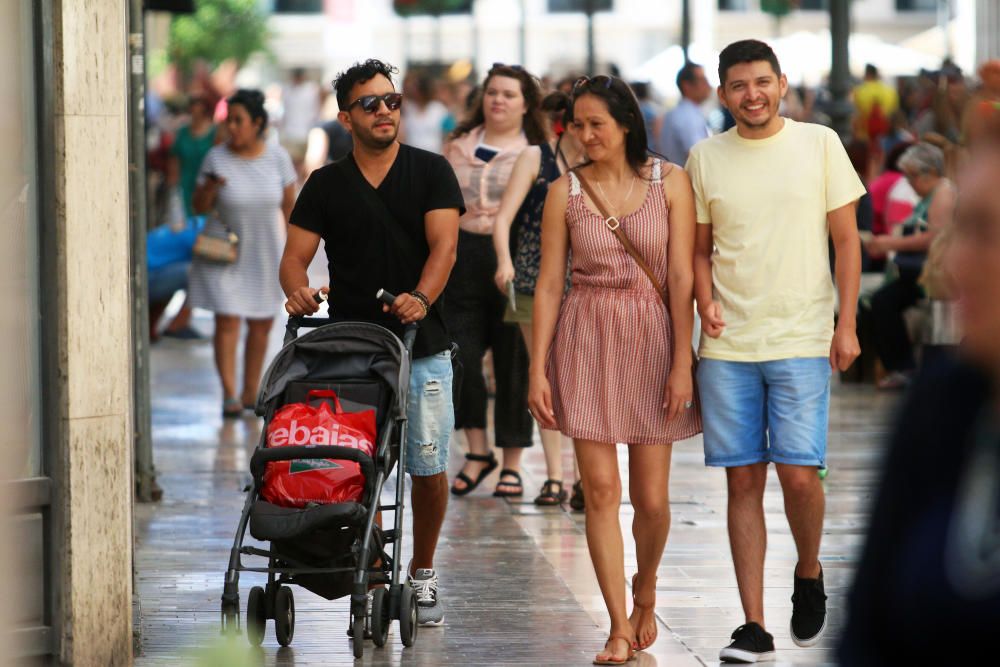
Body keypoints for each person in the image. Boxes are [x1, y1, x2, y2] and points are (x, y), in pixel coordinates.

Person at [686, 39, 865, 662]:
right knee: (742, 480)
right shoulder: (705, 157)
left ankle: (809, 571)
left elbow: (847, 242)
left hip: (800, 335)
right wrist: (702, 301)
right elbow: (699, 249)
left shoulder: (820, 144)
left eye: (762, 82)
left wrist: (846, 325)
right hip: (728, 343)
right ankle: (753, 626)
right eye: (739, 85)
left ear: (782, 84)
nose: (752, 94)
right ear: (723, 91)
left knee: (798, 475)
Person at [280, 59, 463, 627]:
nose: (384, 111)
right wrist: (297, 292)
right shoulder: (326, 183)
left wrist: (422, 298)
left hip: (421, 340)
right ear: (345, 117)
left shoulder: (431, 171)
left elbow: (444, 250)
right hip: (349, 345)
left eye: (392, 101)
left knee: (427, 464)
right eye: (370, 104)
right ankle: (372, 564)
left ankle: (424, 570)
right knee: (355, 463)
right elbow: (294, 258)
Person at [530, 75, 702, 664]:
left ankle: (644, 590)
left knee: (651, 498)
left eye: (595, 123)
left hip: (654, 338)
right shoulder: (565, 192)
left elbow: (681, 278)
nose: (584, 134)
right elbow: (550, 283)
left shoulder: (671, 183)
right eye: (575, 124)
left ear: (625, 123)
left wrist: (684, 359)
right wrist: (537, 367)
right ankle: (616, 626)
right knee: (601, 491)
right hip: (585, 339)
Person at [838, 127, 1000, 666]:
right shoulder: (946, 402)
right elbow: (867, 628)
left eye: (985, 233)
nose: (955, 264)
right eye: (963, 230)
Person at [443, 63, 548, 499]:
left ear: (526, 105)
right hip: (462, 256)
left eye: (508, 94)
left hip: (517, 259)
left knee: (514, 360)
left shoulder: (537, 151)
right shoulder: (457, 147)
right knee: (460, 355)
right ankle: (477, 451)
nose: (498, 100)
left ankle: (512, 462)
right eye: (492, 92)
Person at [491, 91, 585, 506]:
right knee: (543, 373)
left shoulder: (601, 162)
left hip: (586, 282)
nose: (589, 132)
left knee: (583, 382)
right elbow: (504, 218)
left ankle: (584, 477)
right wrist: (504, 262)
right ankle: (554, 476)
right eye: (581, 122)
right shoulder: (536, 158)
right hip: (533, 278)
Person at [189, 89, 297, 418]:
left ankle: (251, 391)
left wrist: (295, 253)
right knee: (227, 319)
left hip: (265, 252)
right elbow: (199, 207)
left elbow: (291, 209)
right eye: (229, 120)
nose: (232, 127)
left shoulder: (278, 158)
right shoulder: (216, 158)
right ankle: (229, 394)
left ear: (258, 123)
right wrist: (209, 189)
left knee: (262, 322)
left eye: (239, 121)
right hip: (225, 254)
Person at [862, 142, 956, 390]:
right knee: (881, 301)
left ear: (928, 174)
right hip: (920, 271)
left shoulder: (942, 192)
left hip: (931, 274)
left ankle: (902, 367)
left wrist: (889, 243)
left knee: (884, 302)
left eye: (912, 177)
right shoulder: (930, 195)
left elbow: (934, 237)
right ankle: (900, 365)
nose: (910, 183)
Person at [657, 61, 712, 165]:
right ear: (686, 85)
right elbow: (698, 156)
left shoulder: (680, 113)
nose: (708, 85)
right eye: (703, 80)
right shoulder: (687, 116)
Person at [280, 68, 321, 177]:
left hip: (304, 131)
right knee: (295, 163)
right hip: (293, 132)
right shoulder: (289, 90)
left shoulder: (310, 90)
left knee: (302, 163)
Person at [401, 71, 450, 153]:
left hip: (434, 156)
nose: (415, 91)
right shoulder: (407, 108)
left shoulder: (440, 109)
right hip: (412, 156)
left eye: (418, 88)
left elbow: (448, 134)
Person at [853, 64, 899, 145]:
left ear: (867, 74)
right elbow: (895, 112)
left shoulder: (859, 91)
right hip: (886, 134)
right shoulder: (890, 91)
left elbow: (855, 115)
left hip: (865, 136)